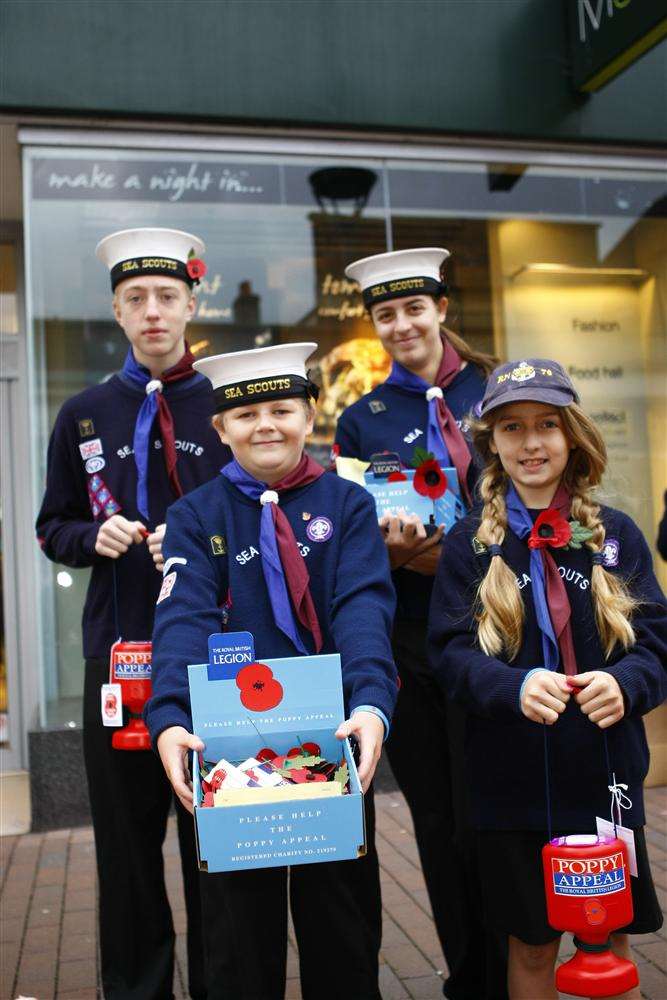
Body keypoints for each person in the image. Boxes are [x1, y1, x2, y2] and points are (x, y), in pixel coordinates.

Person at [145, 341, 398, 1000]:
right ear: (221, 427)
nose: (266, 425)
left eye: (282, 408)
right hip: (230, 756)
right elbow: (181, 624)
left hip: (332, 745)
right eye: (247, 412)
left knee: (341, 934)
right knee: (237, 943)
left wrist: (370, 703)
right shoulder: (193, 517)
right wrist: (169, 718)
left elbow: (363, 610)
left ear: (309, 416)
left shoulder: (347, 506)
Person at [428, 358, 666, 1000]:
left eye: (546, 426)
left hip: (605, 779)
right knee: (531, 948)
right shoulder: (467, 545)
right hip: (510, 788)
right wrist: (510, 687)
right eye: (512, 429)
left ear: (572, 436)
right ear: (492, 446)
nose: (531, 443)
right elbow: (448, 653)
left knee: (609, 944)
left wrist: (629, 684)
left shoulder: (615, 534)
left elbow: (656, 644)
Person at [36, 227, 230, 1000]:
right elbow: (54, 526)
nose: (153, 312)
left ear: (190, 303)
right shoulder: (83, 414)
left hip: (223, 654)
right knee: (125, 846)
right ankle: (138, 988)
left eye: (166, 297)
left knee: (213, 836)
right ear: (118, 311)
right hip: (121, 656)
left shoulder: (226, 404)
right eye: (135, 299)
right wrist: (96, 533)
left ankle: (224, 983)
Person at [335, 247, 505, 999]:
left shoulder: (499, 390)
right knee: (437, 820)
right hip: (411, 635)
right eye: (384, 315)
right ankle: (470, 975)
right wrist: (393, 555)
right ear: (374, 327)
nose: (401, 324)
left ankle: (520, 965)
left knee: (497, 809)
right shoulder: (359, 419)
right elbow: (347, 538)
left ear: (440, 309)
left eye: (413, 308)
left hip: (502, 630)